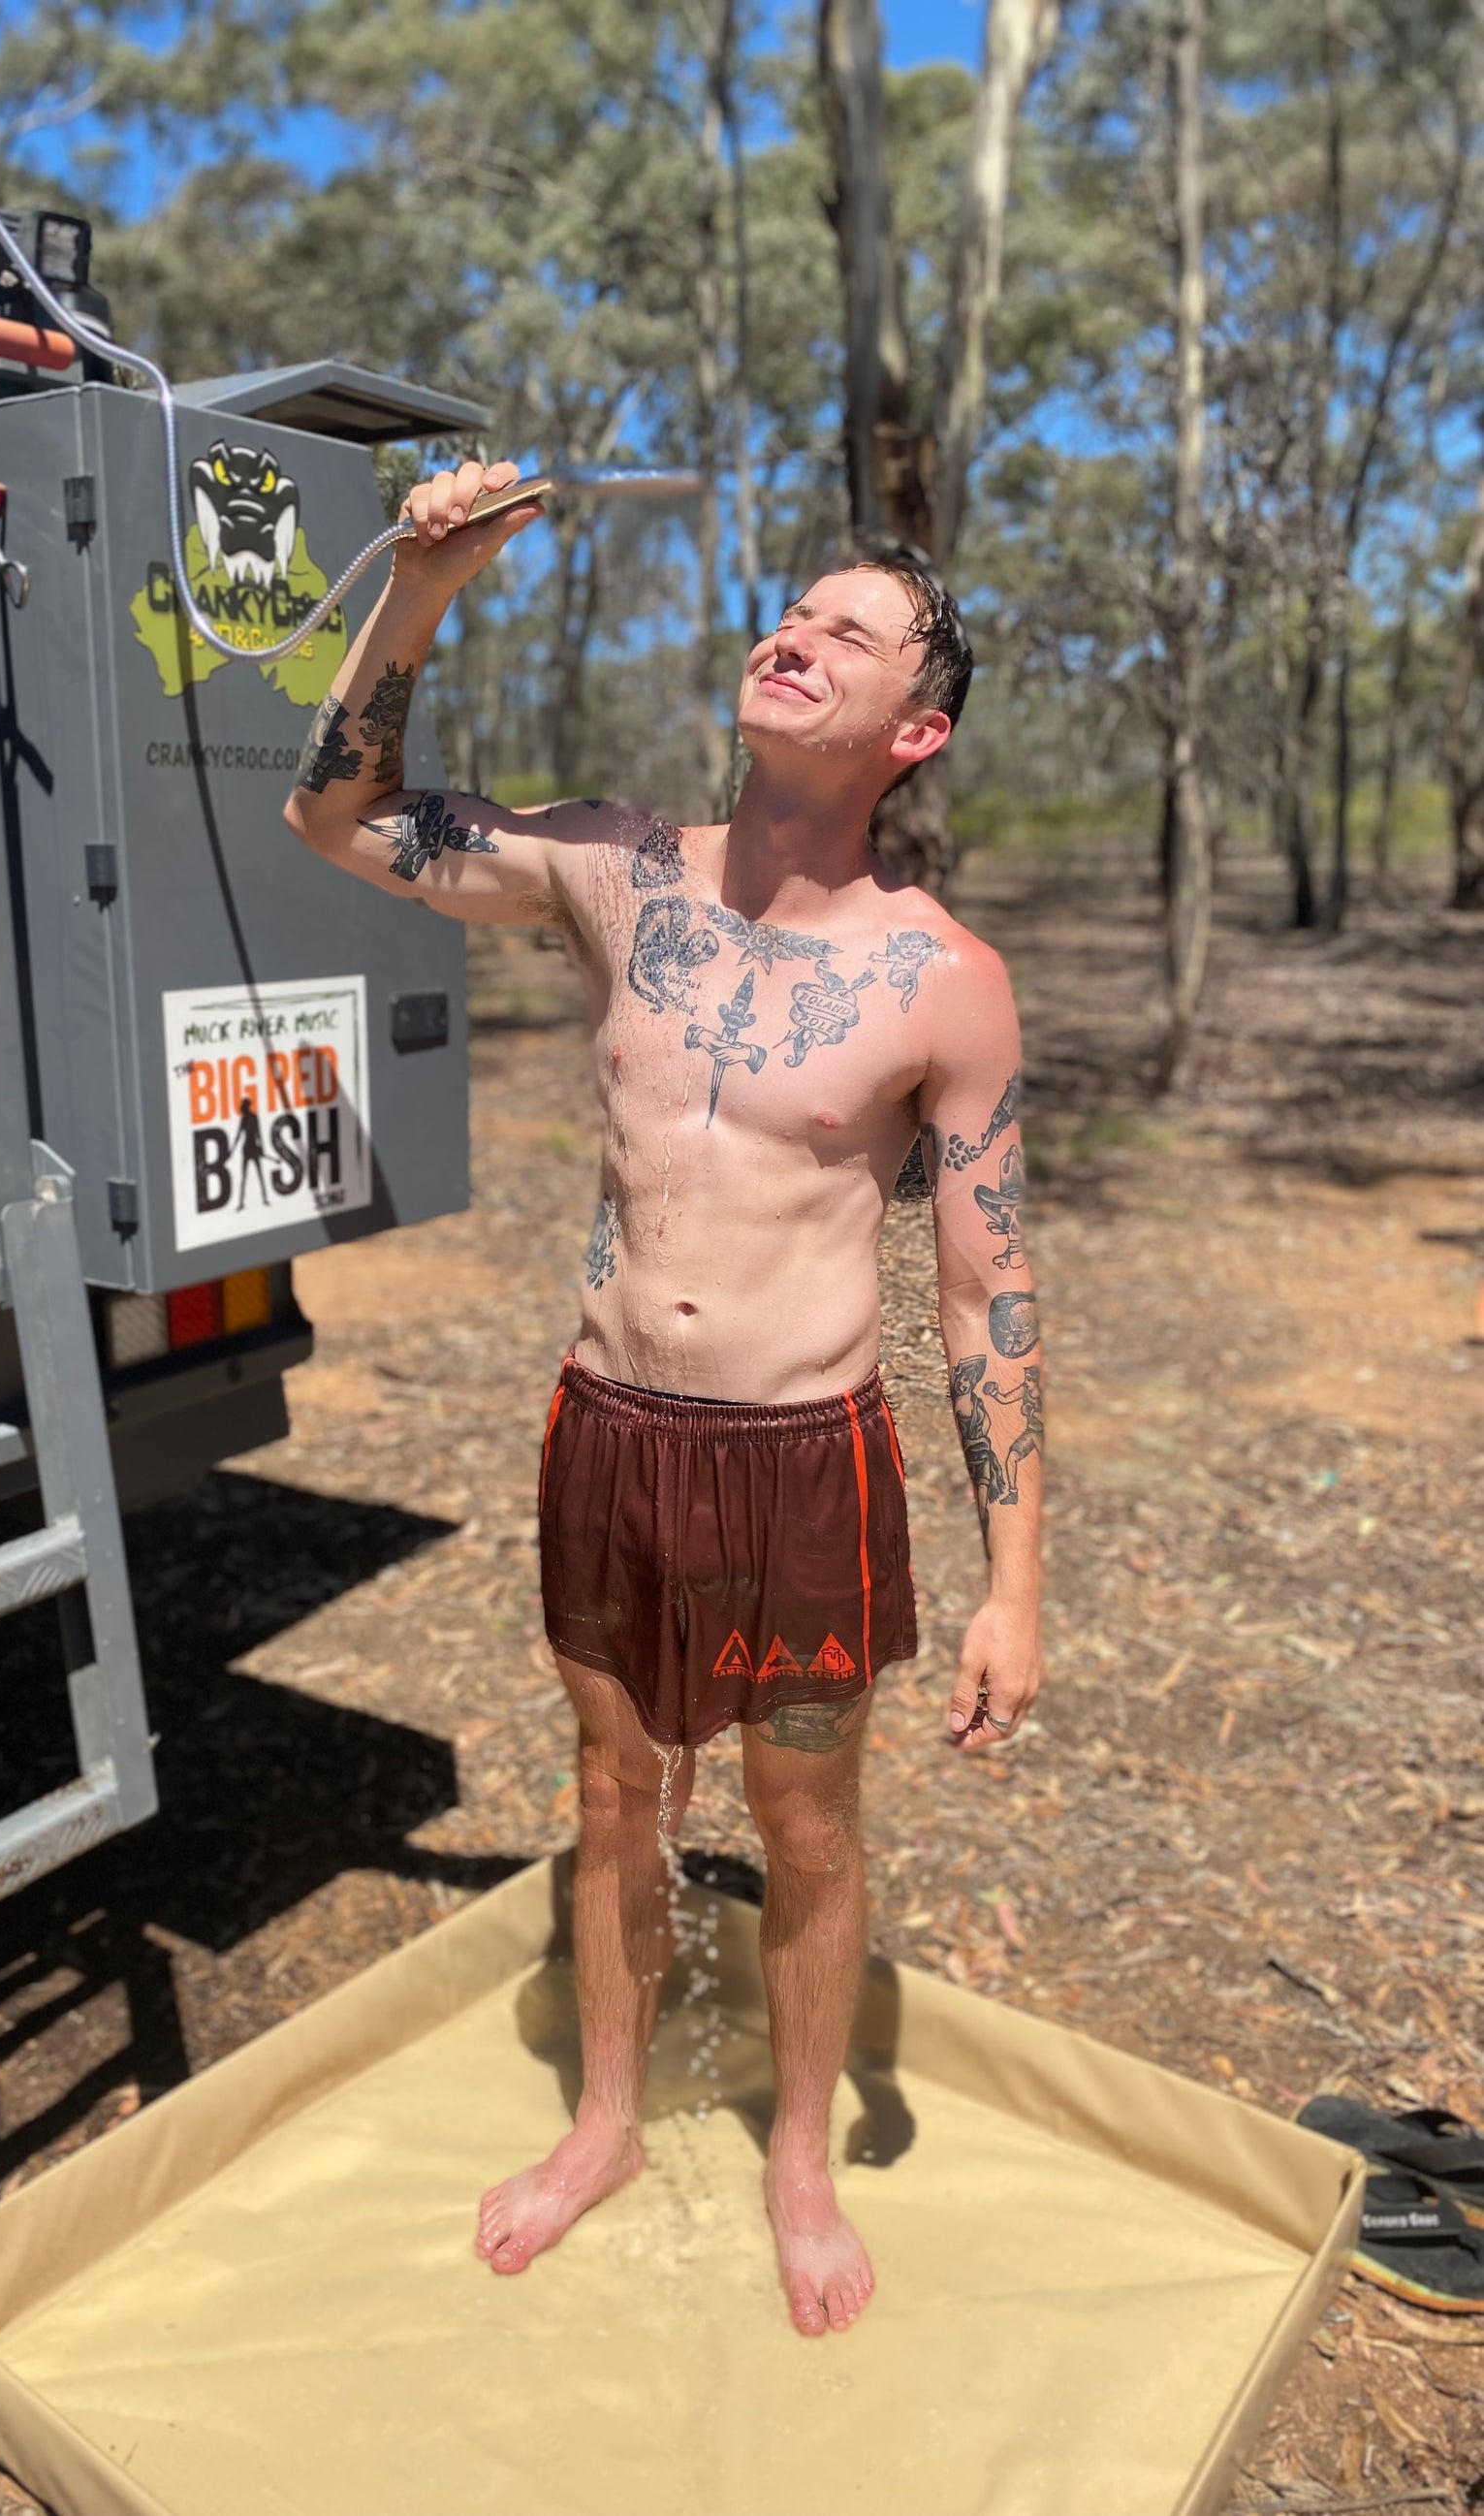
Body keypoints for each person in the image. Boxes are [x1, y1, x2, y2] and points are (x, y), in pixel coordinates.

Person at [284, 458, 1044, 2339]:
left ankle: (797, 2147)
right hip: (609, 1425)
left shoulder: (945, 984)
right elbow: (332, 813)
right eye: (789, 609)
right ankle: (609, 2115)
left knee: (803, 1827)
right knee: (618, 1793)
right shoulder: (617, 862)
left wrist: (1016, 1574)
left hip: (804, 1454)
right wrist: (426, 592)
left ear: (915, 725)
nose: (794, 632)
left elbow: (983, 1289)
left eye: (848, 629)